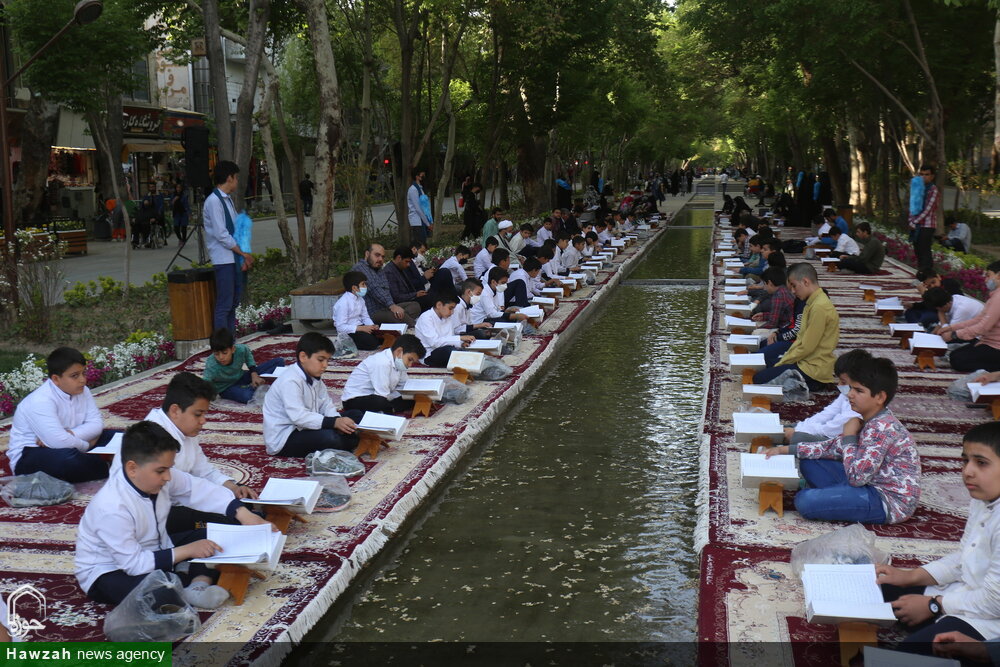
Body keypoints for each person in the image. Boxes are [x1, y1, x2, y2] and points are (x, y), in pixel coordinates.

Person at [75, 421, 273, 607]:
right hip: (110, 572)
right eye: (161, 471)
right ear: (132, 468)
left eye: (169, 469)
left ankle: (196, 586)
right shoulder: (111, 507)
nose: (168, 477)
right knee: (157, 588)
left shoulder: (157, 476)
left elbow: (197, 489)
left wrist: (242, 513)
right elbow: (133, 564)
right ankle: (182, 581)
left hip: (157, 548)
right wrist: (187, 551)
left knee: (217, 535)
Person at [875, 421, 1000, 653]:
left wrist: (934, 605)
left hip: (991, 622)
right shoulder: (983, 498)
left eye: (981, 463)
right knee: (876, 588)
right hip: (964, 594)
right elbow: (963, 558)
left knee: (912, 651)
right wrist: (911, 577)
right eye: (966, 460)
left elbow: (994, 602)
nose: (968, 471)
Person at [763, 355, 919, 524]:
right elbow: (831, 447)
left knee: (805, 501)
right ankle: (837, 496)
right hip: (866, 482)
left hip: (885, 500)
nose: (850, 394)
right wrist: (783, 450)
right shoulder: (867, 418)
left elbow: (856, 478)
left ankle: (832, 496)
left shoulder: (881, 428)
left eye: (858, 391)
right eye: (851, 388)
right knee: (809, 461)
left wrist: (850, 436)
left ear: (880, 397)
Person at [122, 372, 259, 533]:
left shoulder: (184, 429)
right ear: (175, 411)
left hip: (182, 499)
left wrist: (232, 487)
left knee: (242, 503)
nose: (203, 420)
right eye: (198, 414)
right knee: (232, 524)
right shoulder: (152, 439)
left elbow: (202, 470)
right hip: (158, 513)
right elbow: (185, 487)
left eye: (204, 414)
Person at [8, 347, 116, 483]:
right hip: (31, 455)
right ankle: (110, 466)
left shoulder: (84, 391)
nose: (83, 380)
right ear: (56, 379)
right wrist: (87, 445)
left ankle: (99, 461)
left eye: (84, 373)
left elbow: (96, 425)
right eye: (75, 376)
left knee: (121, 437)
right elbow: (59, 442)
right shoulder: (40, 400)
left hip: (71, 442)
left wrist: (70, 434)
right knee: (68, 459)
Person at [262, 332, 363, 456]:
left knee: (356, 415)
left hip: (309, 426)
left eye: (327, 360)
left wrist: (337, 421)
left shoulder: (314, 376)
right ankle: (352, 439)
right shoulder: (290, 381)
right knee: (331, 438)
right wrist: (334, 423)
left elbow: (326, 404)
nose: (325, 365)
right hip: (286, 436)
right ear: (303, 357)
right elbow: (299, 417)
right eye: (320, 360)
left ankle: (350, 439)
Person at [753, 263, 839, 391]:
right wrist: (783, 359)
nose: (792, 291)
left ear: (805, 282)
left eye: (794, 286)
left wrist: (782, 361)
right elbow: (800, 338)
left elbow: (806, 347)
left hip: (813, 367)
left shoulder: (819, 307)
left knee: (759, 379)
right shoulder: (812, 302)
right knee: (762, 365)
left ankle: (815, 384)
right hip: (804, 359)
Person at [204, 161, 255, 333]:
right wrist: (242, 253)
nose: (237, 182)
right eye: (236, 178)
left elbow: (235, 229)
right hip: (223, 259)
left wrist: (243, 254)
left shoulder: (227, 200)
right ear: (229, 178)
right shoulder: (213, 201)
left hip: (232, 258)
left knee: (233, 302)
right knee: (224, 304)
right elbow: (221, 234)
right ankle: (222, 345)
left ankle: (230, 340)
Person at [783, 350, 866, 444]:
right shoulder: (847, 393)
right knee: (792, 427)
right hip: (828, 431)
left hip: (836, 439)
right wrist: (800, 427)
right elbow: (827, 413)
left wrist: (797, 431)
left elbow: (831, 430)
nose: (839, 385)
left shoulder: (860, 404)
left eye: (843, 382)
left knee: (797, 437)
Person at [341, 335, 425, 414]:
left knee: (413, 397)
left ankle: (390, 408)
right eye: (410, 359)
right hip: (355, 400)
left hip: (383, 395)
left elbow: (405, 385)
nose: (410, 365)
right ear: (399, 351)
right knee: (380, 402)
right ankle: (389, 409)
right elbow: (381, 394)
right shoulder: (381, 362)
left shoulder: (399, 362)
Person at [942, 260, 1000, 372]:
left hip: (996, 346)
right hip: (988, 342)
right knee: (955, 355)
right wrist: (951, 328)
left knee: (958, 360)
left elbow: (983, 326)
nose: (986, 280)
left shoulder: (998, 298)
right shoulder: (995, 296)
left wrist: (954, 335)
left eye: (988, 276)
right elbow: (979, 319)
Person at [204, 328, 284, 404]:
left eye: (225, 353)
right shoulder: (212, 364)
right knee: (247, 396)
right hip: (226, 388)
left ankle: (256, 383)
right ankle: (255, 386)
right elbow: (206, 382)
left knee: (279, 362)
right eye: (216, 354)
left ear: (232, 349)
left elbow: (248, 355)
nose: (221, 357)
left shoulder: (241, 349)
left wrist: (254, 374)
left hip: (241, 377)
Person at [350, 243, 421, 326]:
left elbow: (386, 289)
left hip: (385, 307)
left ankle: (401, 321)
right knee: (395, 316)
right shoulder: (360, 268)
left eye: (383, 257)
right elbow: (374, 289)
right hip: (371, 313)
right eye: (377, 255)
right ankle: (414, 326)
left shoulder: (378, 268)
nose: (380, 259)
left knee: (415, 306)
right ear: (367, 254)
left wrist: (393, 307)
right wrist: (392, 306)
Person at [415, 293, 475, 367]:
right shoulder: (426, 318)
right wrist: (459, 338)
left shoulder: (447, 317)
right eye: (450, 308)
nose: (452, 312)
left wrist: (460, 343)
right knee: (450, 352)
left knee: (463, 351)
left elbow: (449, 337)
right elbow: (435, 343)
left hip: (445, 349)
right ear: (439, 305)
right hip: (429, 354)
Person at [333, 270, 381, 351]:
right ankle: (345, 344)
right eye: (363, 284)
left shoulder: (360, 299)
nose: (365, 286)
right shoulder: (343, 303)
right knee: (371, 343)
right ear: (354, 288)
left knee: (382, 334)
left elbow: (365, 317)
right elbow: (340, 327)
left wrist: (372, 326)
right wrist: (361, 328)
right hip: (349, 332)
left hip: (360, 327)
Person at [910, 164, 940, 273]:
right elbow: (912, 205)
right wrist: (911, 221)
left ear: (932, 176)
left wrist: (915, 222)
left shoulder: (933, 190)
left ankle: (927, 276)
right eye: (921, 174)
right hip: (916, 225)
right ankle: (921, 275)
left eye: (927, 175)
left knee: (924, 251)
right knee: (917, 250)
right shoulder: (917, 187)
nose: (923, 177)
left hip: (927, 225)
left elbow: (928, 210)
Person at [384, 246, 433, 312]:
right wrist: (415, 294)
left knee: (432, 295)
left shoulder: (400, 267)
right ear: (399, 258)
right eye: (406, 261)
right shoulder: (389, 271)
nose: (408, 265)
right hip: (401, 304)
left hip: (410, 297)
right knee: (429, 299)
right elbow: (396, 297)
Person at [407, 170, 432, 244]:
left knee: (423, 242)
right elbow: (418, 208)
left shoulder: (420, 188)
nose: (423, 176)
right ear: (417, 177)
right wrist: (427, 223)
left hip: (422, 220)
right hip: (417, 221)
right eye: (421, 175)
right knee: (420, 244)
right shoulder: (413, 189)